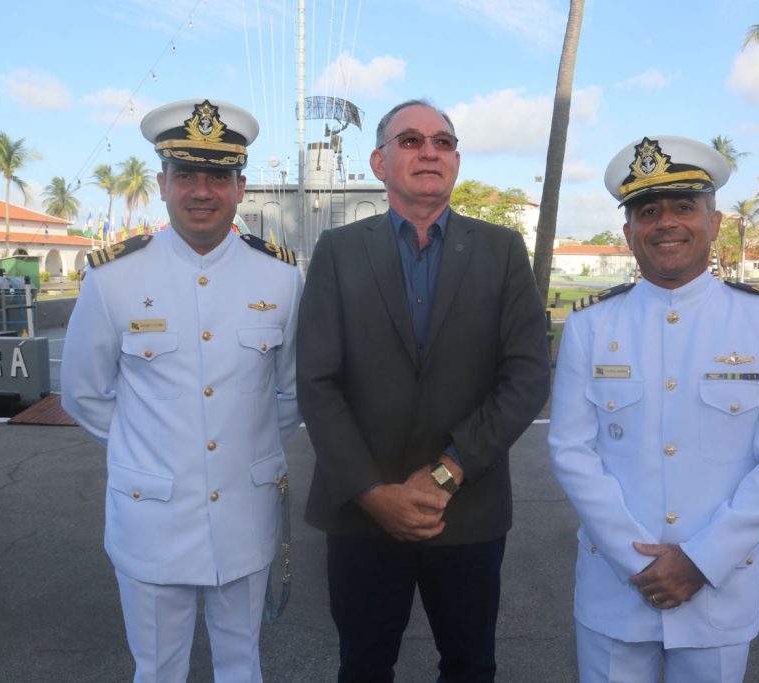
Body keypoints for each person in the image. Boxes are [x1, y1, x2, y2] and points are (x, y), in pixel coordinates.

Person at [296, 99, 551, 683]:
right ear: (379, 162)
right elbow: (317, 381)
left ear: (456, 160)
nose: (429, 151)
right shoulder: (337, 253)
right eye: (410, 141)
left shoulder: (502, 250)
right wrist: (371, 492)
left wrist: (445, 473)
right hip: (363, 515)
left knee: (469, 665)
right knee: (363, 665)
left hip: (465, 510)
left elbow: (527, 373)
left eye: (443, 141)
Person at [549, 135, 759, 682]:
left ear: (714, 223)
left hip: (718, 588)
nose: (665, 222)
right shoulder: (589, 326)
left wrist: (700, 560)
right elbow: (572, 451)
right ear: (628, 234)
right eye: (648, 212)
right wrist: (639, 561)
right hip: (615, 591)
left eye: (683, 207)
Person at [61, 98, 302, 683]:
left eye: (218, 176)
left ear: (240, 187)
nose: (202, 191)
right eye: (186, 175)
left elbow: (292, 392)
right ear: (163, 184)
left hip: (245, 510)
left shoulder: (283, 275)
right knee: (158, 670)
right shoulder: (114, 275)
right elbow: (83, 393)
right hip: (152, 515)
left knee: (242, 665)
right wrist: (150, 451)